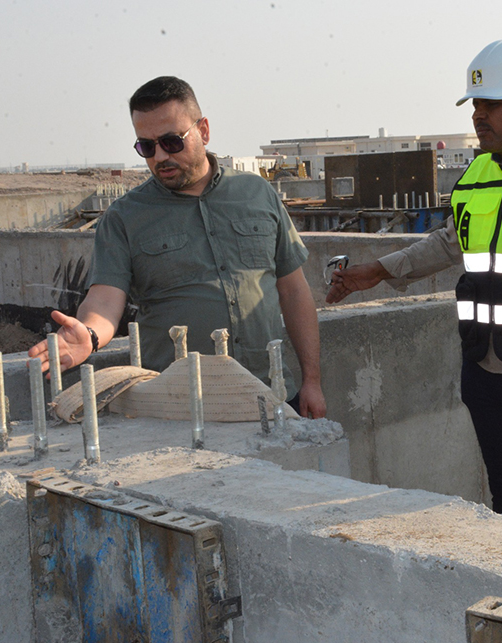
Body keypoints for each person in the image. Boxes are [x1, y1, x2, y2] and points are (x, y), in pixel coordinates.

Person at [326, 41, 502, 515]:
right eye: (475, 106)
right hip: (486, 366)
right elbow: (451, 241)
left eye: (491, 105)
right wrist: (380, 271)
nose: (478, 117)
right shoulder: (475, 174)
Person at [29, 76, 326, 418]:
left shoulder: (258, 194)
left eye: (171, 142)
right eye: (146, 147)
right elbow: (106, 298)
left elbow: (293, 292)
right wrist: (91, 335)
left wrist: (312, 382)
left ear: (204, 130)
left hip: (273, 395)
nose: (160, 157)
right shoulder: (125, 217)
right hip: (180, 409)